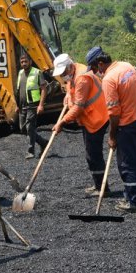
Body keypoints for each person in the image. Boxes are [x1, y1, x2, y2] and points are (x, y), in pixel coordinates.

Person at [87, 46, 136, 213]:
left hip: (126, 126)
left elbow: (114, 113)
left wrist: (112, 136)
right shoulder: (127, 66)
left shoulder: (109, 79)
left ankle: (135, 203)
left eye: (93, 68)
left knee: (127, 165)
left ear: (100, 64)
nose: (94, 72)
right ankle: (130, 196)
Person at [51, 53, 110, 196]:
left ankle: (102, 188)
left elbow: (78, 107)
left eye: (64, 72)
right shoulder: (76, 71)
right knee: (91, 154)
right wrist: (67, 96)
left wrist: (62, 122)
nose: (63, 76)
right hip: (90, 118)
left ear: (70, 66)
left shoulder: (82, 78)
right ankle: (98, 185)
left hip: (96, 118)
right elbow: (71, 88)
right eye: (61, 74)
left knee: (93, 155)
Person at [16, 52, 49, 159]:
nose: (24, 63)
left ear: (30, 61)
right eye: (22, 62)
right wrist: (17, 105)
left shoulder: (37, 72)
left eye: (26, 61)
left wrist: (41, 105)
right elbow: (18, 90)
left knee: (30, 127)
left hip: (32, 105)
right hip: (22, 106)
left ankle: (31, 151)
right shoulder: (20, 73)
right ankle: (43, 142)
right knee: (23, 128)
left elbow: (44, 89)